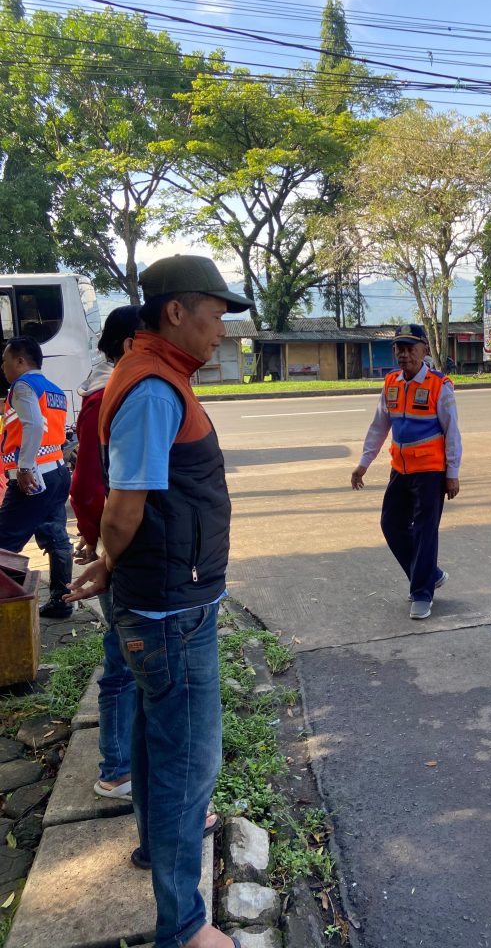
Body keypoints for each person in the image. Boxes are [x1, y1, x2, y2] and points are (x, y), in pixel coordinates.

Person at [67, 254, 251, 948]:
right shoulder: (151, 387)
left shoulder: (156, 375)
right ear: (176, 311)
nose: (221, 331)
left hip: (167, 600)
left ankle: (154, 848)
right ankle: (183, 926)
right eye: (215, 314)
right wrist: (111, 559)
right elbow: (125, 502)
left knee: (154, 738)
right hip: (171, 610)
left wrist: (115, 566)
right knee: (186, 764)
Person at [70, 307, 142, 801]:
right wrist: (103, 545)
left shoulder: (113, 385)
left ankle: (124, 761)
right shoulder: (108, 395)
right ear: (132, 343)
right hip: (120, 554)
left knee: (128, 660)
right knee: (122, 664)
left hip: (118, 548)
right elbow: (92, 486)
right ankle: (116, 770)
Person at [351, 323, 462, 620]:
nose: (404, 354)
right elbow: (379, 427)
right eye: (399, 348)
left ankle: (422, 593)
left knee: (426, 532)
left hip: (430, 472)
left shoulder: (440, 385)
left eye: (410, 348)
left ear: (424, 349)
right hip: (400, 469)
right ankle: (431, 573)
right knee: (391, 524)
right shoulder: (391, 383)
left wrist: (452, 472)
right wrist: (364, 463)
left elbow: (452, 432)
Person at [0, 336, 72, 618]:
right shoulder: (54, 390)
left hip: (32, 478)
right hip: (56, 474)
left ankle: (9, 609)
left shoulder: (23, 386)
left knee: (4, 544)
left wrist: (26, 466)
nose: (3, 368)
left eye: (5, 362)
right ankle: (62, 600)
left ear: (20, 361)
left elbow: (31, 425)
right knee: (56, 538)